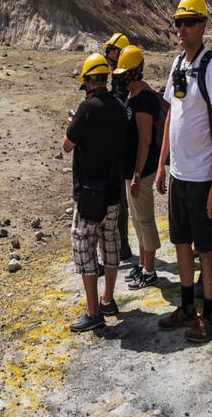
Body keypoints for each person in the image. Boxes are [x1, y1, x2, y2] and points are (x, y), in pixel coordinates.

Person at [156, 0, 212, 343]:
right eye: (178, 23)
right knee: (182, 243)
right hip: (179, 175)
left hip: (202, 178)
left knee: (208, 250)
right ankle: (187, 306)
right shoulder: (176, 65)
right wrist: (161, 165)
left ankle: (210, 316)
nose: (181, 29)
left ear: (202, 25)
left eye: (188, 22)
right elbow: (171, 114)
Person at [65, 53, 128, 332]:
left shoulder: (86, 109)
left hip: (89, 194)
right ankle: (108, 300)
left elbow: (68, 144)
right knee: (110, 243)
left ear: (89, 81)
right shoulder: (118, 106)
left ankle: (93, 312)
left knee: (84, 247)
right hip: (114, 192)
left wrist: (72, 123)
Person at [113, 46, 163, 290]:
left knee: (145, 220)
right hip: (131, 171)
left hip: (139, 172)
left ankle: (150, 271)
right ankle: (143, 265)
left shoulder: (143, 99)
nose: (120, 76)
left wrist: (135, 175)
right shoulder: (132, 96)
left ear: (134, 72)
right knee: (136, 219)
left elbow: (144, 141)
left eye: (124, 72)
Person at [105, 32, 136, 265]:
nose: (107, 55)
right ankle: (122, 245)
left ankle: (122, 245)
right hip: (122, 147)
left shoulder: (120, 82)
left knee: (120, 201)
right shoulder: (119, 79)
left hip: (122, 150)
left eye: (110, 50)